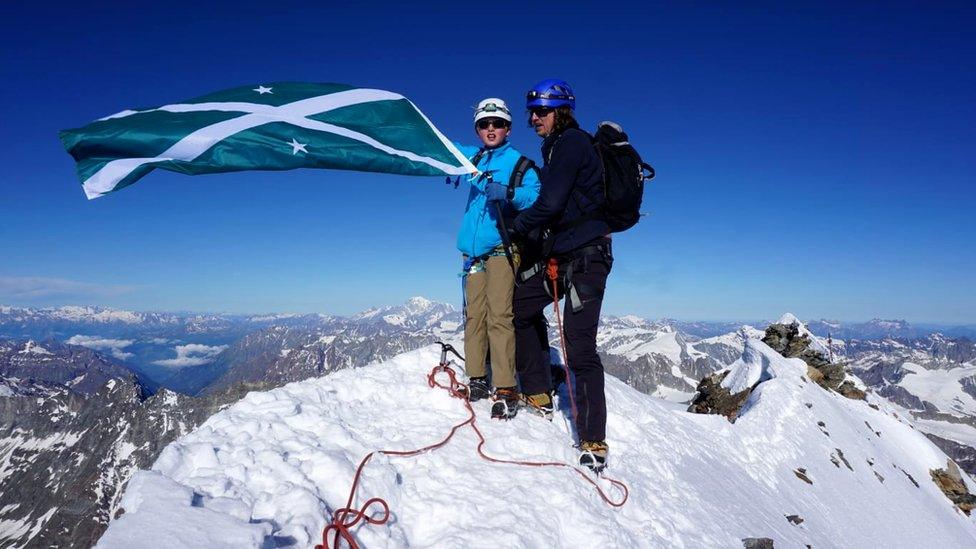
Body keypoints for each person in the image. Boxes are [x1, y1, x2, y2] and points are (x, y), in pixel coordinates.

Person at [507, 79, 614, 472]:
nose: (533, 118)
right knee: (521, 305)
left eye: (541, 111)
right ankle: (537, 391)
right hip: (565, 255)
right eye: (531, 111)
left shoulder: (570, 143)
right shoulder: (556, 147)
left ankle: (593, 439)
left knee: (579, 344)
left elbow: (550, 204)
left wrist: (518, 225)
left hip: (586, 258)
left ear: (561, 111)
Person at [455, 98, 540, 419]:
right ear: (477, 128)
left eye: (497, 123)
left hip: (503, 249)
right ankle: (477, 377)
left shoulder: (518, 163)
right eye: (484, 123)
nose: (491, 128)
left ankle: (506, 385)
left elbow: (536, 196)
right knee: (475, 315)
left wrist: (509, 193)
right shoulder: (472, 157)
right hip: (473, 254)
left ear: (508, 128)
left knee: (499, 316)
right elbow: (442, 146)